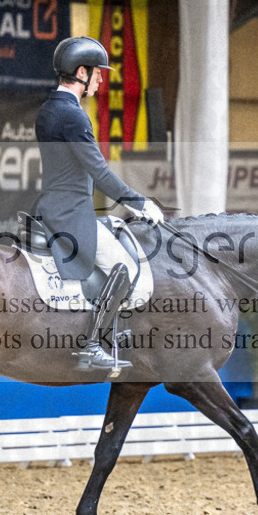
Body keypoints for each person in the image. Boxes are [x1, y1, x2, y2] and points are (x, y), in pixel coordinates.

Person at [34, 36, 165, 372]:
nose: (101, 79)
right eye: (97, 74)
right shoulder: (73, 116)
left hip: (52, 205)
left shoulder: (49, 108)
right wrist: (139, 203)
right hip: (70, 213)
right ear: (81, 72)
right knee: (126, 267)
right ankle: (93, 345)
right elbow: (99, 171)